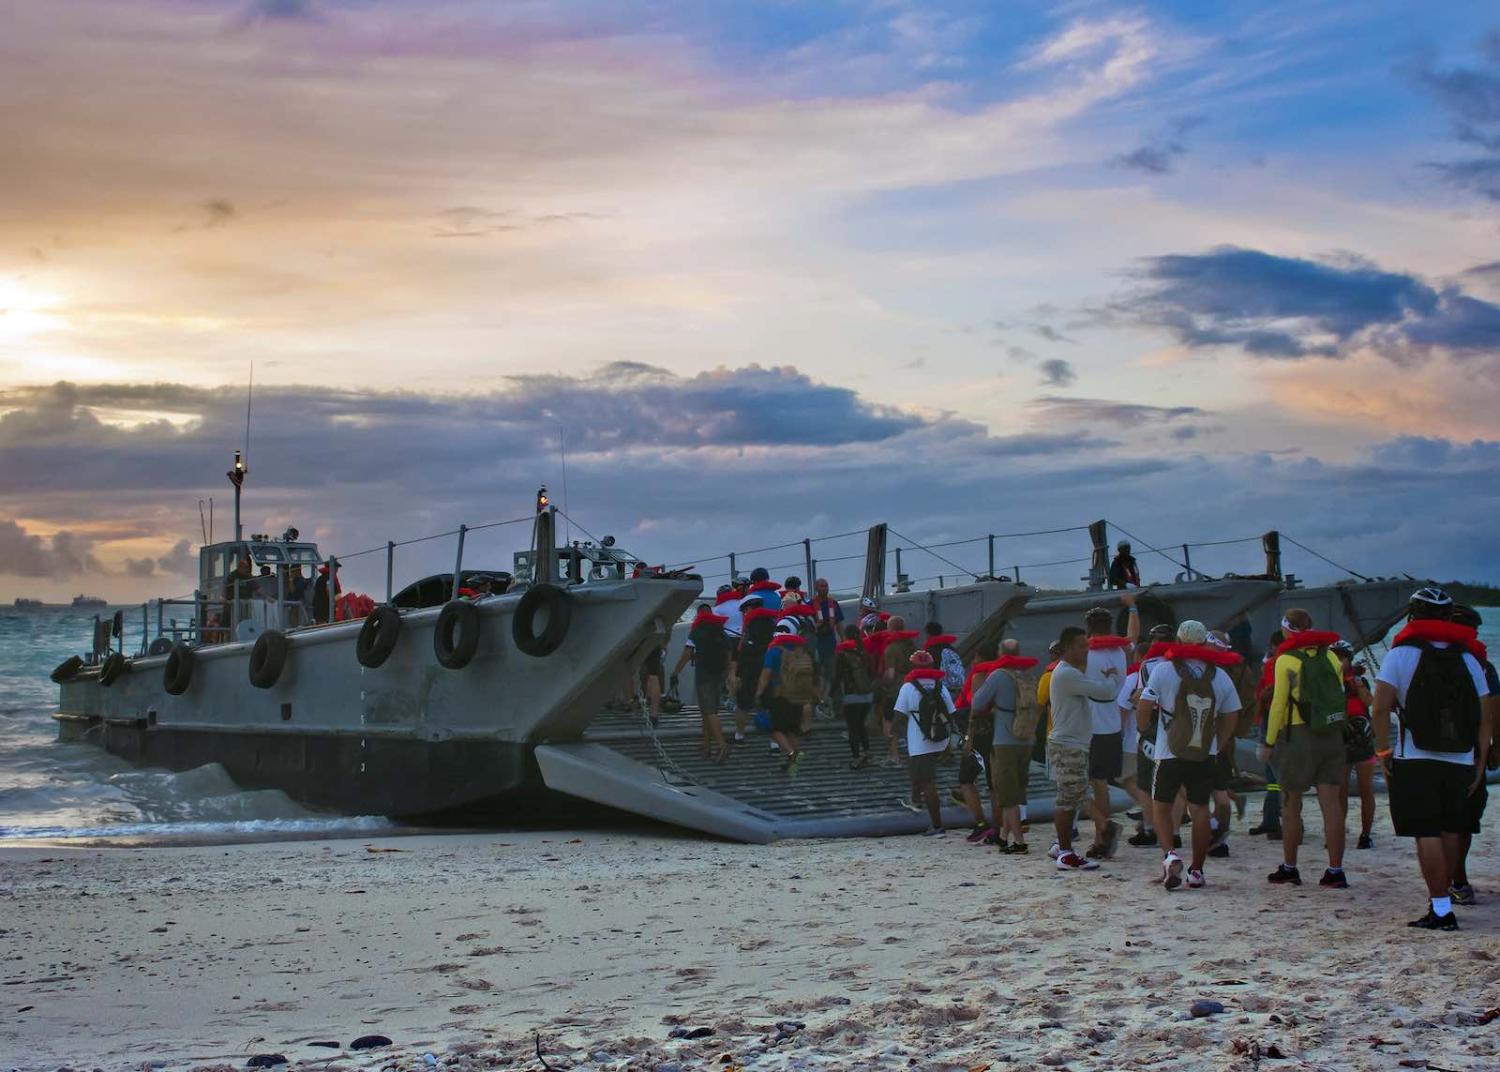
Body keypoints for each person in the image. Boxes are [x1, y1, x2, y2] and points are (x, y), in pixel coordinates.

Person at [1371, 588, 1493, 930]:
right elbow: (1485, 717)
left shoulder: (1400, 655)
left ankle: (1440, 908)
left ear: (1413, 616)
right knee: (1453, 828)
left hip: (1416, 756)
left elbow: (1380, 708)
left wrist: (1382, 751)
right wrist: (1480, 760)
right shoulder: (1470, 658)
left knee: (1426, 832)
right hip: (1461, 758)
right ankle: (1447, 897)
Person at [1135, 620, 1243, 890]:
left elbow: (1144, 704)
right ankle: (1197, 870)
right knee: (1200, 810)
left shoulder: (1163, 670)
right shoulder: (1219, 675)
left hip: (1169, 751)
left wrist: (1144, 728)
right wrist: (1219, 741)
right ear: (1204, 644)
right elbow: (1232, 714)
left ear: (1179, 642)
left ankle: (1170, 855)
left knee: (1161, 805)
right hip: (1205, 752)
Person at [1260, 609, 1350, 889]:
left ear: (1287, 630)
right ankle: (1335, 870)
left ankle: (1290, 867)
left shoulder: (1285, 659)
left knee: (1291, 806)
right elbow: (1340, 694)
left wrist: (1268, 741)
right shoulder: (1332, 656)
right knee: (1332, 807)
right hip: (1331, 733)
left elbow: (1278, 705)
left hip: (1298, 735)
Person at [1047, 626, 1123, 869]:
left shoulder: (1068, 672)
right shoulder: (1067, 674)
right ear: (1068, 647)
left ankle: (1062, 846)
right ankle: (1066, 853)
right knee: (1067, 800)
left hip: (1071, 742)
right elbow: (1105, 692)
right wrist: (1114, 675)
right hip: (1069, 744)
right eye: (1082, 646)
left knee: (1073, 795)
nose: (1087, 650)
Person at [969, 640, 1042, 853]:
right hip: (1027, 739)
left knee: (1007, 793)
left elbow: (977, 703)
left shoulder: (999, 675)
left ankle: (1018, 842)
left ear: (1001, 653)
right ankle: (1003, 835)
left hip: (1005, 740)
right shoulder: (1028, 675)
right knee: (1018, 788)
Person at [1448, 604, 1498, 906]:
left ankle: (1439, 885)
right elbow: (1494, 712)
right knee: (1463, 819)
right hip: (1469, 751)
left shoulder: (1414, 655)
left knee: (1435, 821)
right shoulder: (1481, 664)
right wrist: (1494, 748)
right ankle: (1459, 880)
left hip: (1422, 751)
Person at [1083, 597, 1137, 858]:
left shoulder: (1085, 654)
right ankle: (1100, 838)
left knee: (1080, 784)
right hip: (1113, 725)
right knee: (1101, 783)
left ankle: (1102, 831)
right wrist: (1133, 607)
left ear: (1089, 629)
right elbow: (1132, 636)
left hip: (1090, 726)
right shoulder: (1120, 652)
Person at [891, 648, 957, 836]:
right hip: (941, 739)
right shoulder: (939, 686)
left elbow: (898, 715)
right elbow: (952, 713)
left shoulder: (908, 687)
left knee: (928, 782)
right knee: (918, 771)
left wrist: (892, 733)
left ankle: (937, 826)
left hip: (920, 741)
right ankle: (915, 799)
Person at [672, 601, 734, 762]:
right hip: (719, 675)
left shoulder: (697, 632)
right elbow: (729, 654)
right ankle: (706, 744)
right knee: (708, 711)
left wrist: (675, 672)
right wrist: (727, 673)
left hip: (704, 676)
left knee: (710, 712)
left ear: (699, 615)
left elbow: (686, 654)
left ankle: (722, 745)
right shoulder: (722, 631)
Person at [1332, 640, 1378, 851]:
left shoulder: (1359, 680)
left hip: (1362, 739)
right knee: (1339, 790)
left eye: (1342, 657)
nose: (1339, 661)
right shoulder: (1330, 682)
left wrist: (1358, 684)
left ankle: (1366, 834)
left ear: (1349, 658)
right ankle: (1337, 831)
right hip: (1339, 740)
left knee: (1365, 788)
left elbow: (1370, 703)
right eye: (1335, 656)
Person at [754, 624, 815, 775]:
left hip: (780, 695)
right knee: (791, 730)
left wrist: (758, 693)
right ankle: (792, 763)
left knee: (773, 728)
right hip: (799, 695)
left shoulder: (774, 651)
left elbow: (766, 674)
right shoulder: (799, 651)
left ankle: (792, 754)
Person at [1248, 629, 1285, 840]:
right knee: (1274, 776)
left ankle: (1279, 821)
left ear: (1273, 645)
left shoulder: (1274, 664)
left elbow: (1266, 693)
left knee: (1277, 774)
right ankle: (1271, 819)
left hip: (1272, 720)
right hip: (1285, 721)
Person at [880, 616, 921, 770]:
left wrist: (882, 683)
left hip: (896, 690)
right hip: (913, 688)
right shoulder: (912, 647)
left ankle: (894, 756)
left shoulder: (891, 649)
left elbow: (890, 674)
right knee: (910, 722)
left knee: (889, 721)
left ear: (890, 629)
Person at [834, 624, 876, 769]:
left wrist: (831, 694)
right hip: (867, 694)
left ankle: (856, 757)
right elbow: (872, 672)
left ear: (845, 636)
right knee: (861, 724)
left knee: (853, 728)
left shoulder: (842, 654)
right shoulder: (864, 652)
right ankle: (867, 751)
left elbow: (837, 677)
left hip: (852, 696)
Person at [810, 578, 844, 704]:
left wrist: (844, 642)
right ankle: (818, 702)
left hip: (831, 644)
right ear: (816, 588)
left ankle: (833, 701)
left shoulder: (833, 604)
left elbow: (839, 625)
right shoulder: (810, 605)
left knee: (832, 674)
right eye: (822, 586)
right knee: (817, 675)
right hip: (816, 646)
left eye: (826, 586)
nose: (825, 588)